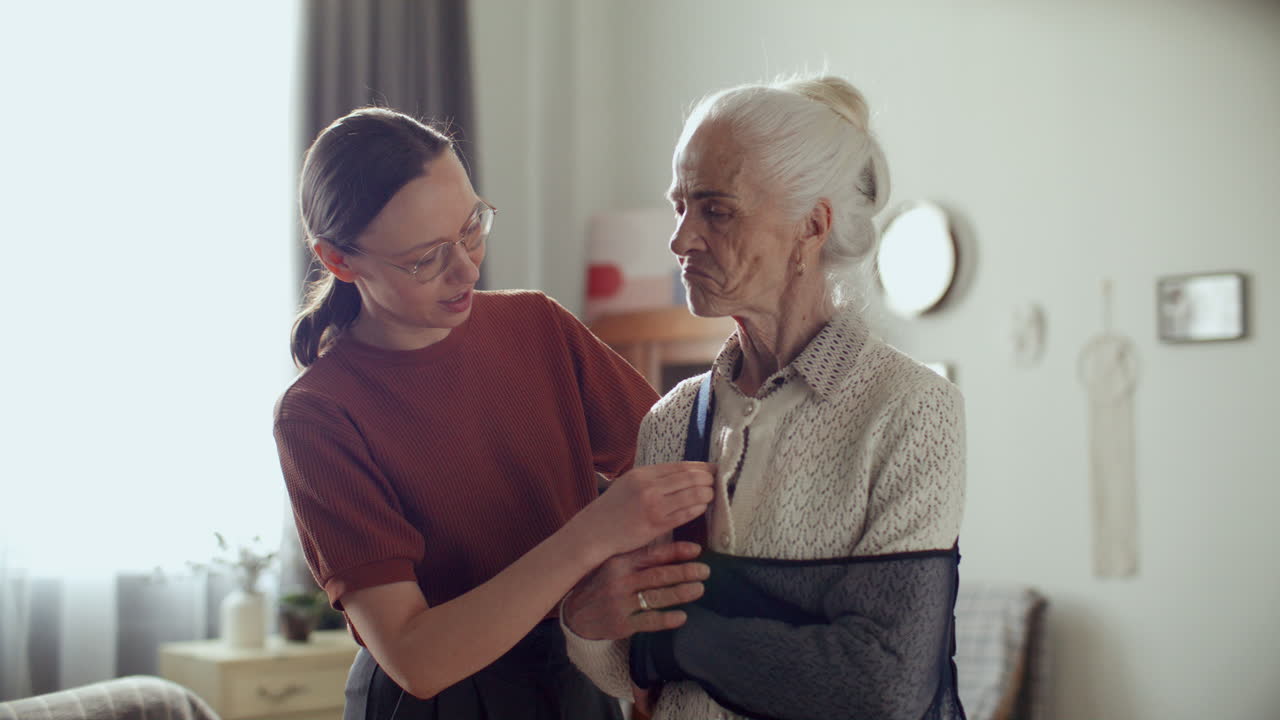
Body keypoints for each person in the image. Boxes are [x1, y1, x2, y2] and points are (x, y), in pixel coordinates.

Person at [272, 107, 716, 720]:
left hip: (574, 678)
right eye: (424, 259)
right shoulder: (319, 415)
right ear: (340, 261)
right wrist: (593, 536)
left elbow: (693, 466)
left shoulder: (538, 326)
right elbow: (416, 658)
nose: (465, 268)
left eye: (471, 227)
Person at [562, 76, 967, 720]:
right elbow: (630, 670)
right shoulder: (670, 423)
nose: (680, 239)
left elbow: (882, 686)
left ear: (812, 225)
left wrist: (679, 637)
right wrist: (585, 624)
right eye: (680, 206)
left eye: (716, 210)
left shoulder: (908, 408)